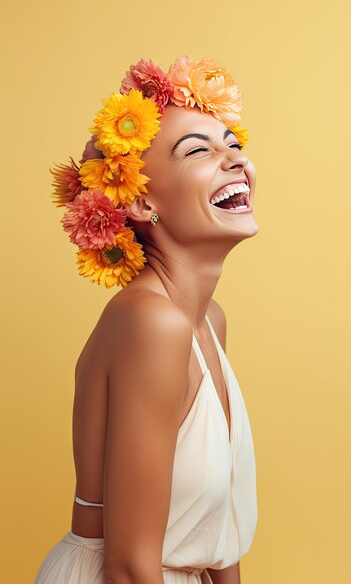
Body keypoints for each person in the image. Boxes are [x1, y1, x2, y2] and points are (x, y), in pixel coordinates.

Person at [34, 55, 258, 584]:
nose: (234, 160)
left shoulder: (208, 321)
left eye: (234, 144)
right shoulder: (151, 323)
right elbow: (131, 567)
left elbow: (215, 535)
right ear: (138, 200)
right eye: (199, 150)